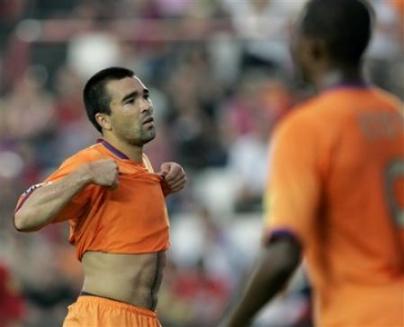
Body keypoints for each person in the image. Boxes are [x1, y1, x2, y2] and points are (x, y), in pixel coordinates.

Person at [222, 0, 404, 326]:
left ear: (314, 47)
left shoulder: (305, 129)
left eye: (295, 35)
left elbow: (283, 255)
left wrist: (232, 322)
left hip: (360, 314)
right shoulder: (396, 115)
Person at [14, 67, 187, 327]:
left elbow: (124, 218)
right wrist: (85, 175)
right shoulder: (92, 161)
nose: (146, 106)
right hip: (103, 318)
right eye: (130, 101)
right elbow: (24, 217)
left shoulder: (143, 165)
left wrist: (163, 186)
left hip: (144, 319)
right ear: (104, 120)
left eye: (145, 96)